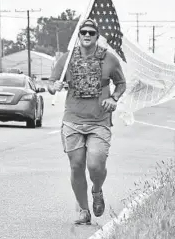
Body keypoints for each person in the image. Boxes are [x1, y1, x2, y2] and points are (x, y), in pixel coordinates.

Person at [48, 19, 127, 225]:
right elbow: (50, 84)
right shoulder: (66, 59)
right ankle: (83, 210)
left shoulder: (109, 59)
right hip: (72, 120)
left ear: (97, 36)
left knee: (95, 165)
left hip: (99, 122)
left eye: (91, 32)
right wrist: (53, 86)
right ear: (78, 35)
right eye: (83, 32)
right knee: (76, 166)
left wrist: (114, 98)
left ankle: (97, 190)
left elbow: (121, 83)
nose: (87, 35)